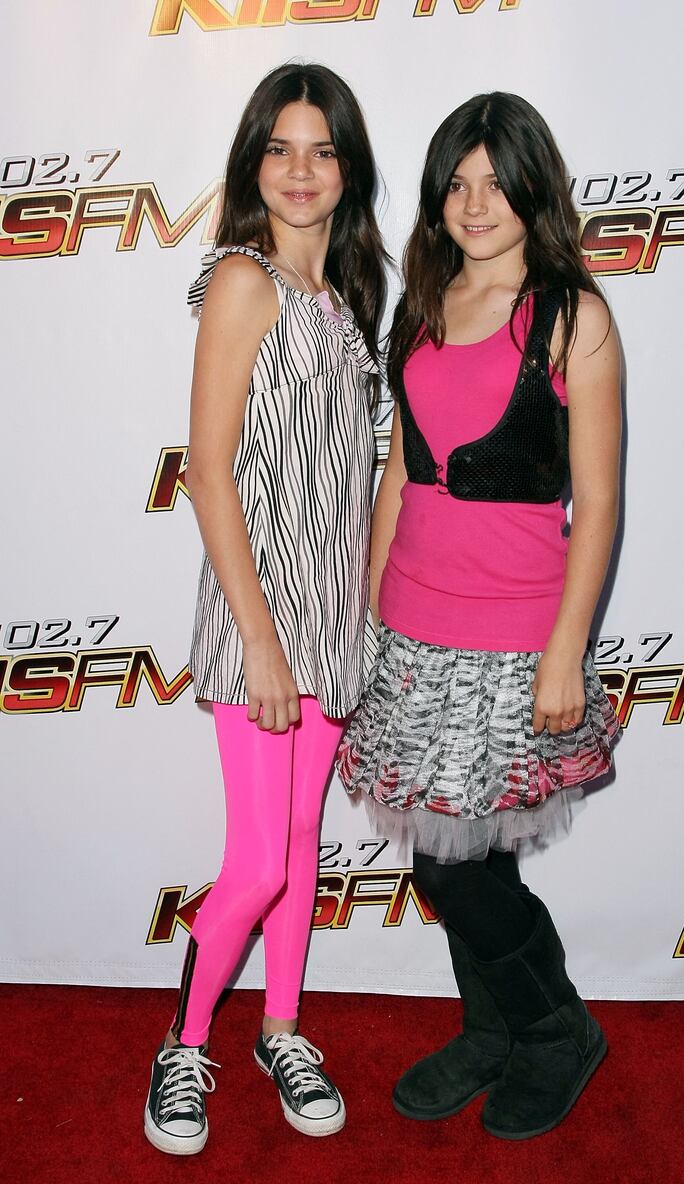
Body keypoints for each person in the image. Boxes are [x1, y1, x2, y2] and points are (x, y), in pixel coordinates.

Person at [336, 91, 621, 1141]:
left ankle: (553, 1028)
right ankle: (494, 1025)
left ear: (531, 186)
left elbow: (595, 501)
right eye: (456, 181)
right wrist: (371, 603)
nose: (473, 201)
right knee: (460, 855)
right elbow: (397, 472)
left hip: (514, 639)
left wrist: (565, 655)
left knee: (451, 860)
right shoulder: (421, 302)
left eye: (495, 180)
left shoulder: (570, 315)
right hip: (413, 630)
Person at [144, 63, 387, 1154]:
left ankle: (280, 1026)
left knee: (299, 838)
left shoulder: (348, 297)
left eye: (321, 148)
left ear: (347, 169)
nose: (300, 170)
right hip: (263, 624)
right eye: (280, 148)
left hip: (336, 621)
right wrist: (257, 639)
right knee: (260, 863)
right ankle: (186, 1040)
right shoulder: (242, 281)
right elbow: (206, 467)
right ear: (253, 163)